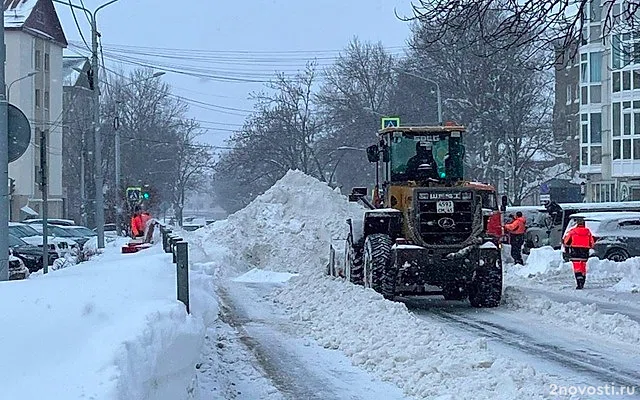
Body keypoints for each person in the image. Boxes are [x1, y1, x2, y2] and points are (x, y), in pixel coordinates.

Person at [563, 217, 594, 290]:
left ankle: (579, 282)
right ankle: (582, 281)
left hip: (575, 252)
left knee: (577, 268)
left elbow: (566, 242)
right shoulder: (588, 232)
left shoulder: (572, 231)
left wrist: (567, 249)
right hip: (584, 253)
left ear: (577, 224)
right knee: (583, 267)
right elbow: (592, 244)